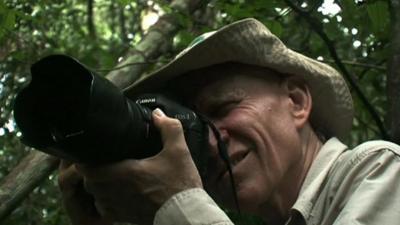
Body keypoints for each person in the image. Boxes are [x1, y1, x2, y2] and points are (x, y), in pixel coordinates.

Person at [58, 18, 400, 225]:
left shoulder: (380, 171)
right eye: (191, 126)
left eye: (222, 108)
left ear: (296, 101)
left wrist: (177, 202)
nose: (206, 142)